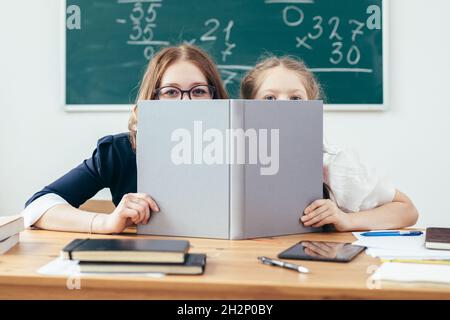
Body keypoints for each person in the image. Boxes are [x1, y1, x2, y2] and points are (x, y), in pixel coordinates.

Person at [22, 45, 229, 234]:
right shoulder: (120, 152)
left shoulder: (238, 147)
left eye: (199, 91)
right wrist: (105, 223)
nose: (185, 103)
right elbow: (38, 205)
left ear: (216, 98)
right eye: (171, 92)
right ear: (152, 99)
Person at [240, 56, 419, 231]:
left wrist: (347, 219)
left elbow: (407, 209)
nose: (284, 106)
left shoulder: (333, 164)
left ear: (313, 106)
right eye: (270, 98)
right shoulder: (232, 158)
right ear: (247, 106)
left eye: (296, 99)